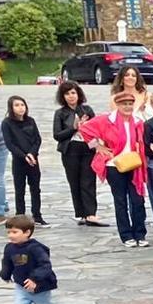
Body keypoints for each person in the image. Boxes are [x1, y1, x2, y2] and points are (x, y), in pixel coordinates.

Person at [79, 85, 148, 246]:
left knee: (137, 200)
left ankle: (140, 233)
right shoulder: (106, 120)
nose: (127, 107)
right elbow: (85, 129)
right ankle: (126, 235)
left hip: (133, 164)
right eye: (124, 104)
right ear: (117, 105)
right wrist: (98, 147)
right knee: (120, 200)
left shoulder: (138, 121)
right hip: (113, 165)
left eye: (130, 104)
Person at [0, 214, 67, 304]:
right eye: (9, 232)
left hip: (40, 288)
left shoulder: (35, 248)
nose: (11, 235)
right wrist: (5, 274)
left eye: (14, 232)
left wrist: (35, 279)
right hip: (21, 287)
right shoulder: (9, 248)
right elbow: (7, 263)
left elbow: (45, 265)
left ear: (27, 233)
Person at [52, 81, 103, 227]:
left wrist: (96, 145)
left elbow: (96, 131)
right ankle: (80, 213)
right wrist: (74, 128)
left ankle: (91, 213)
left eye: (73, 93)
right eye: (67, 94)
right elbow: (57, 135)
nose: (71, 96)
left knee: (88, 181)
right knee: (74, 182)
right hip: (70, 150)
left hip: (87, 149)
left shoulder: (87, 110)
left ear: (78, 94)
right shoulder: (60, 113)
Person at [1, 95, 45, 224]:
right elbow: (10, 144)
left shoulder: (30, 121)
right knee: (20, 189)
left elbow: (37, 139)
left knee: (35, 188)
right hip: (19, 160)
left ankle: (37, 215)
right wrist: (24, 156)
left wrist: (32, 153)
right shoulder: (7, 123)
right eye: (17, 105)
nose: (20, 108)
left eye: (22, 105)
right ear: (11, 108)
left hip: (33, 160)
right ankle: (20, 216)